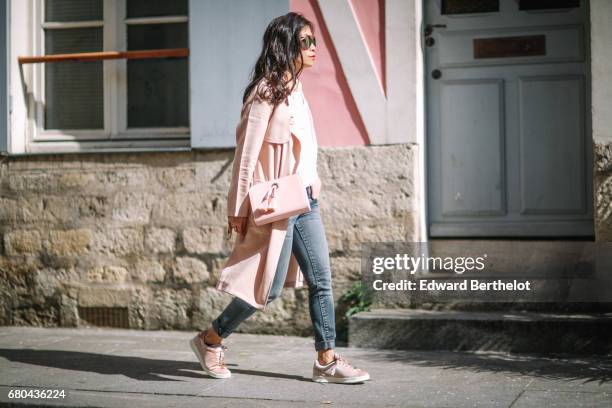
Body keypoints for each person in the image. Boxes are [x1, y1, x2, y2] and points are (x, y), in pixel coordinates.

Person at [189, 12, 370, 384]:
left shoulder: (297, 92)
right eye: (306, 42)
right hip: (275, 203)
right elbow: (246, 154)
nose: (314, 48)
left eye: (314, 40)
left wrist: (313, 182)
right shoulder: (266, 92)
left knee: (322, 279)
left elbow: (305, 151)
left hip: (305, 201)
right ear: (286, 45)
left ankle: (326, 360)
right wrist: (238, 208)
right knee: (266, 289)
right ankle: (211, 339)